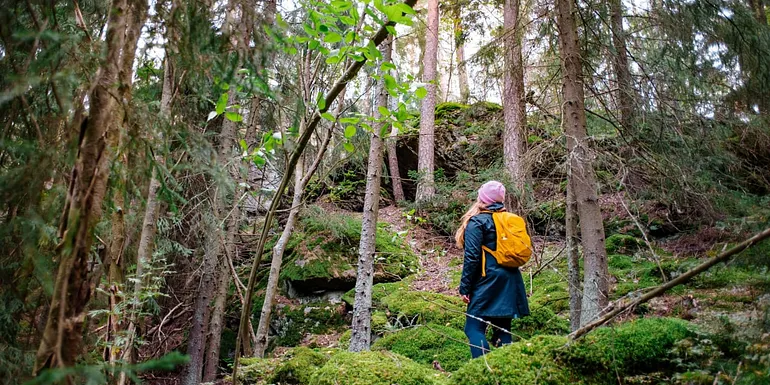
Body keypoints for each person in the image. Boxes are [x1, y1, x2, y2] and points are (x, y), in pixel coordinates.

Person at [455, 180, 530, 358]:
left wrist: (465, 288)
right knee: (503, 329)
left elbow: (472, 257)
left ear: (483, 199)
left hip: (487, 281)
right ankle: (504, 371)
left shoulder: (477, 222)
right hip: (510, 279)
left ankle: (483, 369)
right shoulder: (509, 221)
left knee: (473, 327)